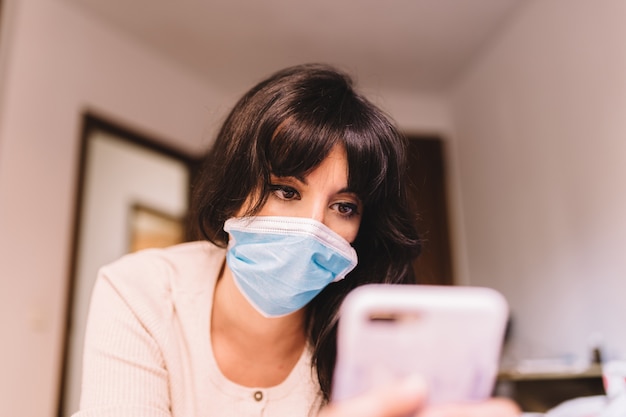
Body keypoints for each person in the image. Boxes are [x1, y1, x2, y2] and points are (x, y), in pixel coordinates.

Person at [73, 63, 519, 417]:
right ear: (235, 188)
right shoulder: (140, 292)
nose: (313, 227)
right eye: (286, 191)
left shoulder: (368, 338)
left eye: (344, 207)